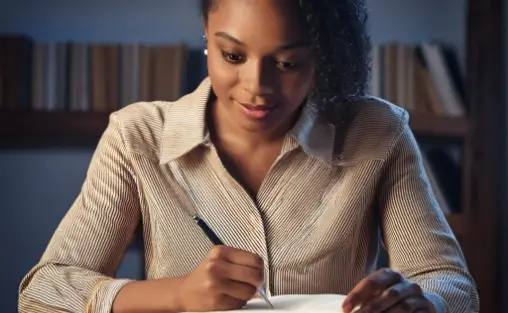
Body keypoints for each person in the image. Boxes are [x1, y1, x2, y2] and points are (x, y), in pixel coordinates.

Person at [18, 0, 479, 312]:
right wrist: (177, 294)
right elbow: (41, 293)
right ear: (206, 34)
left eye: (286, 63)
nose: (257, 87)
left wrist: (422, 301)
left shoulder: (378, 132)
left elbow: (452, 285)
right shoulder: (137, 137)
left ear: (324, 54)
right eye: (232, 56)